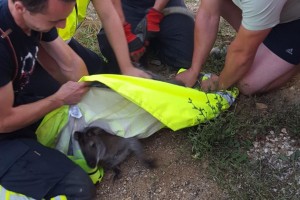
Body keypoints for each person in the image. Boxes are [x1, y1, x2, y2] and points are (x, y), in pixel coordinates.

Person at [0, 0, 96, 199]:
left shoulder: (32, 16)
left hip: (14, 101)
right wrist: (58, 99)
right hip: (4, 129)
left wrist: (85, 89)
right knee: (77, 188)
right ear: (19, 8)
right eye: (55, 20)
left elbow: (69, 65)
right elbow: (4, 122)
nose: (62, 25)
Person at [25, 0, 151, 98]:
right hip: (33, 47)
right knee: (55, 91)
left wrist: (126, 67)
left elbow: (109, 15)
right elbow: (56, 66)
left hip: (57, 39)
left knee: (98, 71)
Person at [175, 0, 300, 95]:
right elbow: (208, 14)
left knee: (248, 83)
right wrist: (194, 70)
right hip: (273, 11)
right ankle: (260, 33)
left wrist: (219, 85)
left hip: (294, 21)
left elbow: (242, 52)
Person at [98, 0, 194, 71]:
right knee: (115, 51)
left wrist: (154, 14)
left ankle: (152, 41)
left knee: (185, 57)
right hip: (126, 5)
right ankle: (144, 43)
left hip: (167, 4)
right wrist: (125, 30)